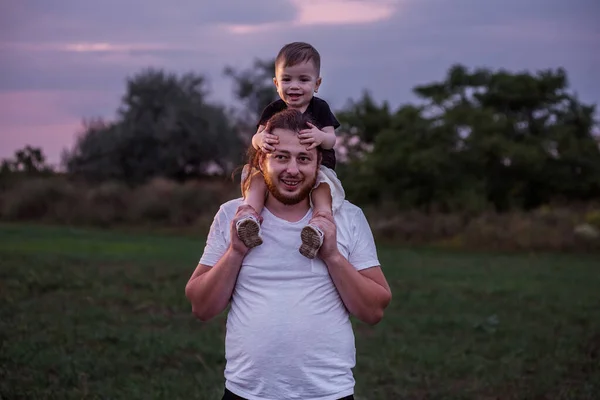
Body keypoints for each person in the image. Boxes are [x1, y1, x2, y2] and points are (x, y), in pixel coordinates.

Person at [185, 109, 392, 400]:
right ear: (262, 160)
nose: (292, 169)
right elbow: (201, 307)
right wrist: (235, 252)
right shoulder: (232, 215)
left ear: (318, 163)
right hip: (246, 393)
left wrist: (332, 256)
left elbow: (374, 311)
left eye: (304, 158)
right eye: (281, 156)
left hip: (328, 394)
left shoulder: (347, 217)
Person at [236, 41, 345, 260]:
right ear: (276, 83)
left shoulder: (320, 108)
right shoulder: (274, 109)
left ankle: (319, 226)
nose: (294, 86)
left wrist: (320, 137)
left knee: (322, 189)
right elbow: (257, 136)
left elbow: (331, 140)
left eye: (303, 80)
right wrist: (260, 140)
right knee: (255, 178)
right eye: (287, 79)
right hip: (273, 168)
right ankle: (249, 217)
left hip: (318, 167)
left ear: (317, 83)